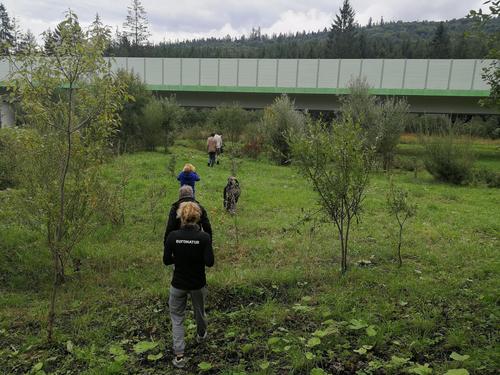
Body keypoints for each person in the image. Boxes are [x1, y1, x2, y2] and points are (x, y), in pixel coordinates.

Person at [163, 201, 214, 369]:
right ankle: (201, 336)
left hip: (178, 284)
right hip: (198, 283)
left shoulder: (172, 237)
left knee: (177, 319)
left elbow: (166, 260)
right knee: (200, 312)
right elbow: (210, 262)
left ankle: (179, 356)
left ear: (180, 217)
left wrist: (178, 258)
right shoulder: (204, 237)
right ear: (198, 217)